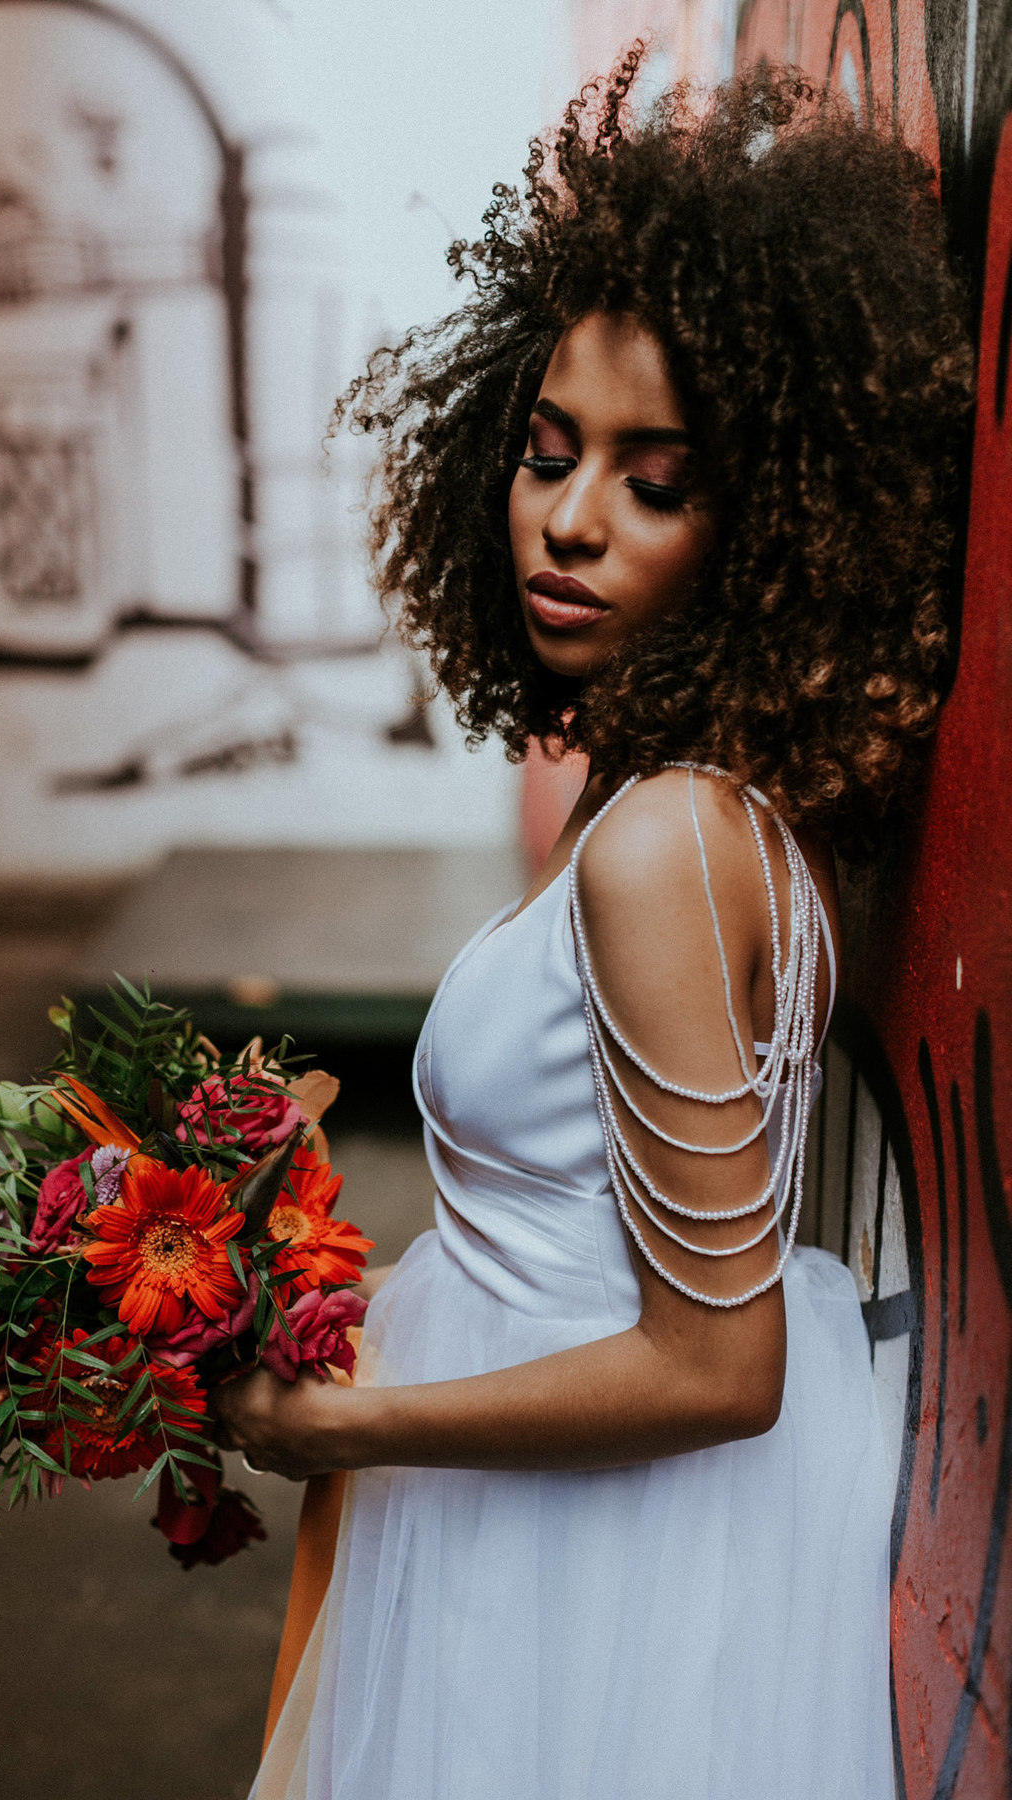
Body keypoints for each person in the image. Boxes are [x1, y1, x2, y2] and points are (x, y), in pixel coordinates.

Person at [215, 54, 973, 1800]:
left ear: (767, 523)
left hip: (577, 1565)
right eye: (551, 454)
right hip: (565, 1533)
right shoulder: (687, 801)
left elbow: (720, 1365)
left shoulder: (664, 846)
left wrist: (350, 1426)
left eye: (655, 479)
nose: (566, 521)